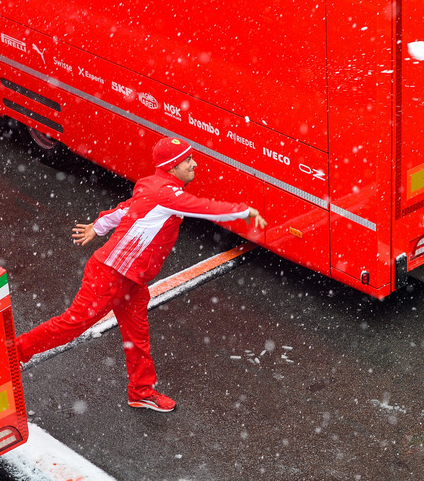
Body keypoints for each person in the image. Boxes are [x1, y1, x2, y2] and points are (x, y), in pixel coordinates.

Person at [16, 137, 267, 412]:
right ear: (173, 167)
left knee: (137, 337)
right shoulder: (167, 195)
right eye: (187, 160)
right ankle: (14, 352)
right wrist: (243, 210)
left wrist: (98, 227)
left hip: (131, 280)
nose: (194, 164)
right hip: (110, 275)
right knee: (71, 325)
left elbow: (126, 208)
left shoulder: (151, 184)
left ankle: (141, 392)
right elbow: (203, 208)